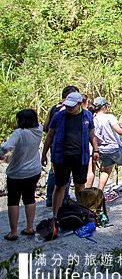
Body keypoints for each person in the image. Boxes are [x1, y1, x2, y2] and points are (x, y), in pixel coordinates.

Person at [41, 91, 98, 221]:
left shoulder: (87, 116)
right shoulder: (58, 116)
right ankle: (55, 216)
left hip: (80, 156)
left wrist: (96, 150)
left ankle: (83, 212)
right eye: (67, 105)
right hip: (61, 156)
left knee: (80, 185)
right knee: (60, 185)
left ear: (79, 104)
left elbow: (92, 134)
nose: (69, 108)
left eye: (72, 106)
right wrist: (44, 154)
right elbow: (50, 135)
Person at [1, 109, 43, 240]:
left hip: (17, 172)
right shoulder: (39, 129)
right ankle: (29, 228)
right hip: (34, 170)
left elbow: (6, 146)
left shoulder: (19, 133)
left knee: (13, 201)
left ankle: (13, 232)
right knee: (29, 198)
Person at [43, 85, 77, 207]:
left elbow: (45, 127)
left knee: (54, 171)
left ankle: (49, 198)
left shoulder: (53, 109)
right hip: (69, 145)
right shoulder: (71, 109)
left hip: (54, 144)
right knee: (66, 172)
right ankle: (64, 198)